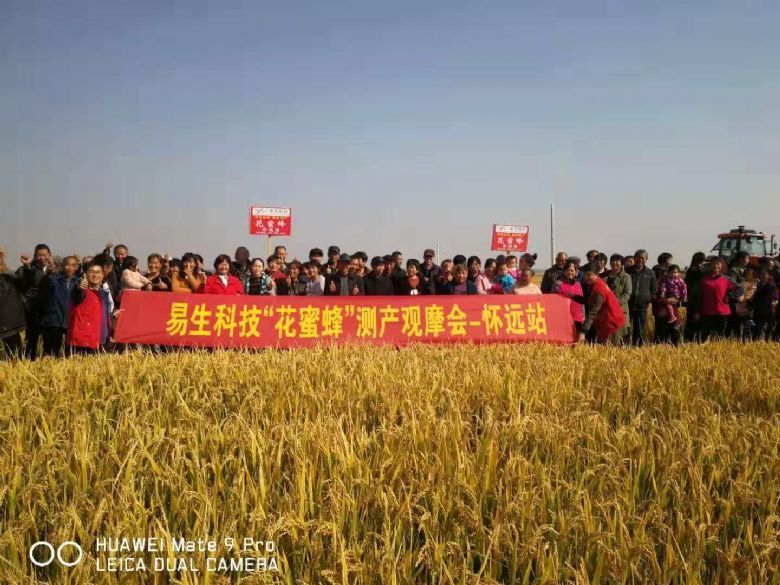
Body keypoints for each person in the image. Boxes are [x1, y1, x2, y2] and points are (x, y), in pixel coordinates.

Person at [16, 243, 53, 359]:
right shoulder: (27, 269)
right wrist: (27, 268)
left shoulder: (55, 269)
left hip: (50, 311)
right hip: (33, 310)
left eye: (44, 255)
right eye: (39, 255)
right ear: (35, 256)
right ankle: (29, 361)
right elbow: (20, 283)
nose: (42, 258)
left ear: (50, 255)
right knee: (31, 339)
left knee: (49, 340)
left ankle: (48, 362)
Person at [38, 255, 80, 357]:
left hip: (71, 322)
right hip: (54, 321)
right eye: (67, 265)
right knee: (51, 353)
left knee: (71, 353)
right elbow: (42, 287)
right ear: (62, 266)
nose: (69, 268)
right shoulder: (54, 280)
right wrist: (48, 274)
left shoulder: (79, 282)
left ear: (76, 267)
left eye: (72, 265)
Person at [67, 262, 112, 355]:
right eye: (91, 272)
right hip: (84, 341)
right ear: (85, 274)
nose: (95, 275)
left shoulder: (103, 293)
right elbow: (77, 296)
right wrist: (79, 288)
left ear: (103, 275)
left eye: (98, 272)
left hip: (101, 339)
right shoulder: (81, 290)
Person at [580, 264, 626, 345]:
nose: (586, 277)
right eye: (585, 274)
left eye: (589, 274)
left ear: (596, 274)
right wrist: (572, 296)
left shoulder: (599, 290)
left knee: (613, 350)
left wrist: (583, 332)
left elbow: (593, 312)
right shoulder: (596, 283)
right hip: (608, 321)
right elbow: (588, 300)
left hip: (612, 323)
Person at [699, 257, 739, 340]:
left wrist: (729, 296)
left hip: (722, 312)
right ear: (710, 265)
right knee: (705, 337)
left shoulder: (726, 278)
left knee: (719, 337)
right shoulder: (703, 279)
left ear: (721, 265)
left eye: (718, 263)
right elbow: (697, 294)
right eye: (713, 263)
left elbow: (740, 288)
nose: (715, 265)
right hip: (706, 312)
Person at [628, 249, 657, 346]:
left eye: (642, 258)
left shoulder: (650, 273)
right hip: (627, 305)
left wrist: (648, 300)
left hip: (642, 306)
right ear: (634, 258)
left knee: (640, 329)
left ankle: (638, 347)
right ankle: (623, 347)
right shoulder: (627, 271)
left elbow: (654, 289)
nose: (640, 260)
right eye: (637, 258)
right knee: (626, 328)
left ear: (646, 259)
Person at [0, 250, 26, 358]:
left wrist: (27, 267)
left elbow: (27, 284)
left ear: (2, 266)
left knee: (14, 355)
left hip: (10, 325)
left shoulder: (11, 279)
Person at [658, 265, 687, 345]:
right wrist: (663, 295)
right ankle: (671, 316)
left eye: (675, 272)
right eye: (672, 272)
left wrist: (684, 297)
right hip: (668, 298)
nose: (674, 274)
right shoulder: (666, 280)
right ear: (668, 273)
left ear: (679, 273)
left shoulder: (680, 281)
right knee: (668, 305)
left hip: (677, 298)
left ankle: (676, 341)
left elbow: (684, 289)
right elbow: (663, 288)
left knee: (676, 327)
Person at [605, 254, 631, 343]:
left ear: (621, 263)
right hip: (606, 310)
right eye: (613, 261)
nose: (615, 263)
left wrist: (615, 303)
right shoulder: (606, 276)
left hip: (620, 309)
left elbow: (627, 294)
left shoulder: (626, 277)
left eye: (617, 261)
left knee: (619, 336)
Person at [553, 261, 584, 334]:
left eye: (572, 270)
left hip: (578, 318)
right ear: (564, 271)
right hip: (564, 318)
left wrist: (583, 316)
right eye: (567, 270)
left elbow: (582, 301)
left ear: (576, 272)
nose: (570, 272)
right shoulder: (558, 284)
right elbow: (554, 302)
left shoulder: (578, 284)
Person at [684, 252, 707, 342]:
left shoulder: (692, 269)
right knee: (694, 320)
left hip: (692, 298)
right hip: (695, 298)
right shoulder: (696, 270)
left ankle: (689, 339)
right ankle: (692, 339)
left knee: (692, 321)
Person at [751, 269, 778, 341]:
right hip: (756, 314)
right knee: (756, 336)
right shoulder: (756, 286)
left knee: (763, 336)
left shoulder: (771, 287)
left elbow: (774, 300)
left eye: (764, 274)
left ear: (768, 276)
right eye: (761, 274)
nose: (762, 276)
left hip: (766, 315)